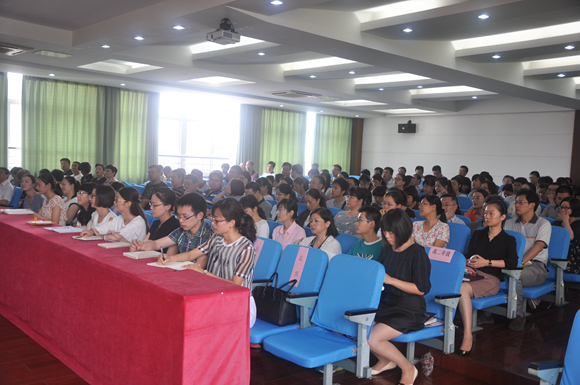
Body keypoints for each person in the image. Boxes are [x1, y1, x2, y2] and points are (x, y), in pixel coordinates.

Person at [159, 198, 257, 327]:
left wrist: (203, 273)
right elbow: (191, 254)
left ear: (231, 223)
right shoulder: (216, 238)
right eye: (212, 218)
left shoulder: (246, 248)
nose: (213, 223)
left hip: (238, 303)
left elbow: (235, 285)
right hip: (216, 296)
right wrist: (169, 258)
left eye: (217, 220)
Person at [368, 208, 429, 385]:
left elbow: (421, 289)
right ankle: (386, 360)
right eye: (385, 231)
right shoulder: (388, 249)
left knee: (372, 337)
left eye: (391, 232)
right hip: (387, 302)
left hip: (409, 308)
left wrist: (391, 280)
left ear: (402, 230)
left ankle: (408, 368)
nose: (387, 236)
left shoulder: (417, 253)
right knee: (359, 327)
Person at [456, 199, 518, 355]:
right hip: (471, 274)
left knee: (462, 289)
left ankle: (468, 335)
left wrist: (487, 263)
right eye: (485, 212)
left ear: (503, 217)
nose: (486, 216)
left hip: (490, 279)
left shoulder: (509, 240)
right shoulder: (478, 234)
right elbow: (468, 254)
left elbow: (512, 263)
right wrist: (467, 261)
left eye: (491, 213)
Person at [504, 188, 552, 331]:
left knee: (515, 275)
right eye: (515, 202)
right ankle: (487, 312)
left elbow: (539, 246)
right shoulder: (509, 223)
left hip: (536, 267)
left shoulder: (543, 224)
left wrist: (519, 263)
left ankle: (519, 314)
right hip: (513, 263)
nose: (516, 205)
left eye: (520, 202)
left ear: (532, 205)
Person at [130, 192, 213, 256]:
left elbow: (199, 265)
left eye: (185, 216)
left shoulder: (208, 234)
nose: (181, 220)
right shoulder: (181, 230)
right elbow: (156, 244)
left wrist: (170, 259)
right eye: (178, 216)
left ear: (200, 215)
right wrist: (141, 244)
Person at [553, 197, 580, 274]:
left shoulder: (578, 224)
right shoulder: (556, 224)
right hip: (556, 253)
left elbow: (570, 237)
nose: (562, 210)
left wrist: (565, 220)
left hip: (573, 258)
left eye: (566, 208)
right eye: (561, 207)